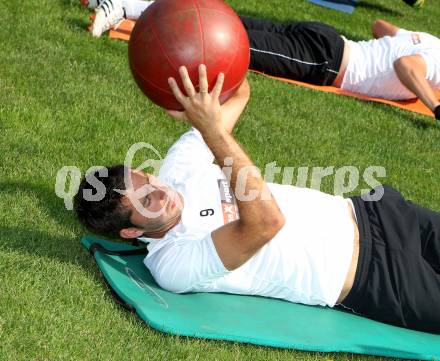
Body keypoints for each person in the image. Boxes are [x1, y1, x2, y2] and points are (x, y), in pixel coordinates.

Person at [75, 64, 440, 334]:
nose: (161, 191)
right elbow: (266, 223)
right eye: (147, 202)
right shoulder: (173, 262)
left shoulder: (179, 167)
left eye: (147, 179)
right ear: (129, 233)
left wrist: (192, 95)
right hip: (373, 277)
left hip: (377, 215)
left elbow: (240, 89)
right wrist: (212, 132)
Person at [83, 0, 440, 120]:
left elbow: (381, 26)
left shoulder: (430, 42)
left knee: (223, 23)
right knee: (225, 47)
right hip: (324, 62)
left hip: (328, 38)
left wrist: (395, 43)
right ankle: (125, 7)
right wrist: (434, 106)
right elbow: (405, 68)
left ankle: (133, 2)